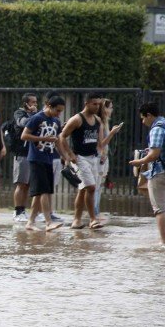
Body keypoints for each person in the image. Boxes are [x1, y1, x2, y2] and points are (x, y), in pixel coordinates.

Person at [129, 102, 165, 244]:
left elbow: (154, 155)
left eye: (143, 118)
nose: (143, 121)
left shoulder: (156, 129)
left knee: (159, 209)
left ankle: (164, 242)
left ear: (149, 115)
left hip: (160, 173)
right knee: (164, 205)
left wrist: (139, 162)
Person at [21, 94, 67, 231]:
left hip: (49, 159)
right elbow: (24, 135)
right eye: (57, 110)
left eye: (61, 111)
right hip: (36, 158)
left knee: (40, 192)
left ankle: (30, 222)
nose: (59, 114)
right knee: (44, 191)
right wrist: (42, 138)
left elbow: (57, 140)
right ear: (49, 106)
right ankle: (48, 222)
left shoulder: (56, 121)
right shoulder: (37, 118)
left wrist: (64, 156)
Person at [60, 92, 104, 229]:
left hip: (93, 158)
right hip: (80, 158)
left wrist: (100, 151)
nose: (97, 107)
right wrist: (70, 154)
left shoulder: (97, 120)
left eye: (98, 104)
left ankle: (77, 220)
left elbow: (99, 141)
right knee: (91, 187)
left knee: (83, 189)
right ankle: (93, 219)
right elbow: (62, 136)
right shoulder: (77, 119)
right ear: (86, 103)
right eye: (94, 104)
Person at [10, 93, 37, 222]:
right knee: (21, 183)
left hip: (31, 153)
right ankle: (17, 210)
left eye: (36, 102)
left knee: (27, 184)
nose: (35, 105)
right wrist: (32, 115)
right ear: (26, 103)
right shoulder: (19, 114)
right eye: (32, 102)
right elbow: (23, 123)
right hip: (21, 153)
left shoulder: (34, 115)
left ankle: (23, 210)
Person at [94, 98, 123, 216]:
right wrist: (112, 133)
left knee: (100, 185)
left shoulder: (105, 122)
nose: (111, 110)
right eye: (110, 107)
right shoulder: (99, 122)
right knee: (95, 185)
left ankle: (96, 210)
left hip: (104, 157)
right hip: (98, 157)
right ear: (104, 108)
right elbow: (101, 143)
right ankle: (94, 211)